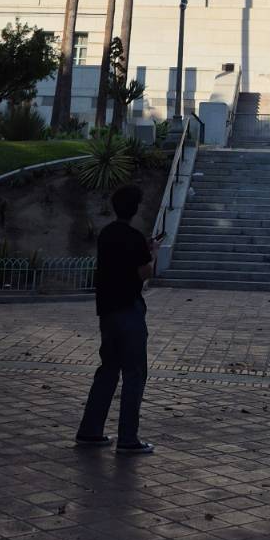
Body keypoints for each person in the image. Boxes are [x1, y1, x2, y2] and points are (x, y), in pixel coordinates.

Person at [75, 182, 159, 454]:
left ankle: (90, 430)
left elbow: (117, 265)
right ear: (135, 209)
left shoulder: (106, 234)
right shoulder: (134, 238)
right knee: (134, 373)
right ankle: (128, 438)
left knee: (108, 370)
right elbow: (143, 273)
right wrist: (153, 253)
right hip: (129, 309)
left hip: (107, 310)